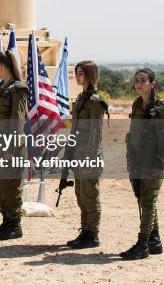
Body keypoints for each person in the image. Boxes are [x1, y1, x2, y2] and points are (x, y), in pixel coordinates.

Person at [120, 68, 164, 260]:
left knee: (149, 201)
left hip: (152, 162)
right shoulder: (137, 105)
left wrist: (160, 163)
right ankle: (155, 240)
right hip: (136, 160)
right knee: (144, 199)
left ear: (152, 83)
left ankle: (143, 244)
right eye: (137, 80)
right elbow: (132, 134)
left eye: (143, 80)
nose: (139, 84)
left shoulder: (159, 109)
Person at [65, 61, 107, 248]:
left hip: (89, 156)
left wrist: (89, 158)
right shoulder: (82, 98)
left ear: (90, 75)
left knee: (90, 196)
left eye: (81, 73)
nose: (77, 76)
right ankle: (85, 231)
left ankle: (93, 234)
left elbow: (95, 133)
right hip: (78, 154)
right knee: (81, 196)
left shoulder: (95, 101)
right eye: (76, 73)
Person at [0, 51, 28, 240]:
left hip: (11, 147)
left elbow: (17, 121)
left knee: (11, 187)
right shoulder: (1, 88)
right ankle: (6, 221)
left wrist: (10, 149)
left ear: (0, 67)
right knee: (1, 187)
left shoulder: (17, 89)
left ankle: (15, 225)